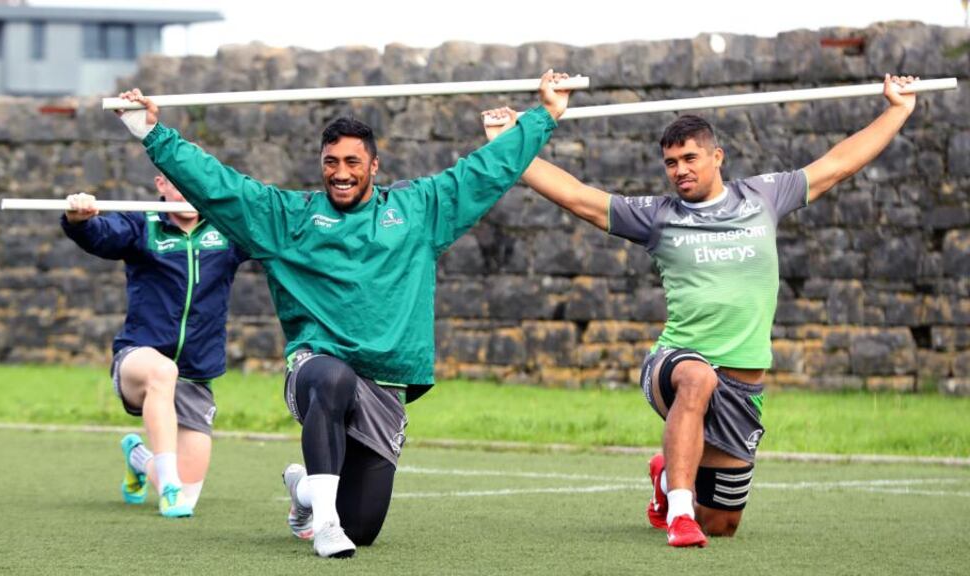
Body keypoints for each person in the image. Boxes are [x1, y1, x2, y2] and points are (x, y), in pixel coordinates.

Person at [112, 70, 570, 558]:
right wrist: (150, 131)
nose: (341, 172)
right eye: (331, 162)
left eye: (352, 161)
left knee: (364, 527)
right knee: (333, 378)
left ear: (374, 165)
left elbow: (484, 171)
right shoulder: (287, 219)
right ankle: (326, 525)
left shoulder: (417, 212)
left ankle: (306, 491)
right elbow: (217, 185)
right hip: (316, 370)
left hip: (384, 383)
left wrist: (544, 114)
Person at [482, 74, 920, 547]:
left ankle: (667, 477)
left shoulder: (763, 197)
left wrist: (897, 110)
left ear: (717, 157)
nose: (680, 170)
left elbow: (837, 164)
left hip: (742, 385)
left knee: (723, 525)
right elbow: (577, 196)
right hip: (676, 363)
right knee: (698, 378)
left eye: (690, 158)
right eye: (671, 163)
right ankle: (679, 514)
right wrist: (509, 143)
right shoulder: (658, 216)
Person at [61, 174, 250, 518]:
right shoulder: (142, 224)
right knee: (163, 371)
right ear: (161, 184)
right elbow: (101, 235)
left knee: (189, 496)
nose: (188, 191)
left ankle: (139, 458)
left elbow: (276, 228)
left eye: (196, 182)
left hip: (195, 375)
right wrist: (80, 221)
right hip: (140, 361)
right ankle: (169, 487)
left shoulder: (227, 229)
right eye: (178, 183)